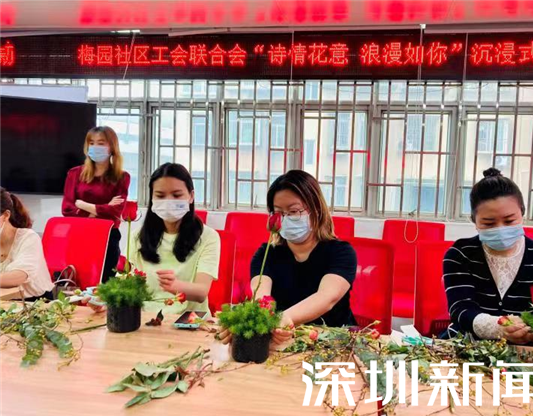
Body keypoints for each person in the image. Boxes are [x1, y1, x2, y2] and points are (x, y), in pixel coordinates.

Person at [218, 170, 357, 346]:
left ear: (316, 210)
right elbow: (261, 298)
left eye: (293, 211)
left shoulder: (341, 252)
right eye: (279, 213)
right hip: (283, 340)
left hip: (335, 343)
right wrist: (242, 323)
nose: (286, 218)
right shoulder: (266, 254)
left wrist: (283, 319)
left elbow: (326, 298)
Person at [443, 168, 533, 344]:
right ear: (474, 220)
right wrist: (497, 328)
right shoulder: (460, 254)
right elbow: (460, 309)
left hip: (525, 350)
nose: (500, 229)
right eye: (489, 223)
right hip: (465, 345)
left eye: (509, 221)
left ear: (522, 213)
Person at [129, 163, 220, 315]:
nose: (168, 201)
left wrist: (176, 286)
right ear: (152, 198)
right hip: (144, 319)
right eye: (160, 196)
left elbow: (201, 292)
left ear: (191, 196)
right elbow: (125, 283)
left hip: (190, 321)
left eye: (177, 195)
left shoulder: (208, 237)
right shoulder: (137, 237)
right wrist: (103, 299)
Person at [62, 126, 130, 282]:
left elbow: (116, 211)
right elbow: (67, 209)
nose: (95, 147)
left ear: (112, 146)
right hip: (79, 235)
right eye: (91, 143)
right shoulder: (75, 173)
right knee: (76, 282)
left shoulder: (122, 177)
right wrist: (103, 209)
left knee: (105, 283)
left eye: (100, 143)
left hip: (108, 236)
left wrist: (83, 205)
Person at [0, 188, 54, 300]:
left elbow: (19, 276)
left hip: (34, 303)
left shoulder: (28, 237)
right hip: (4, 301)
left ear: (5, 215)